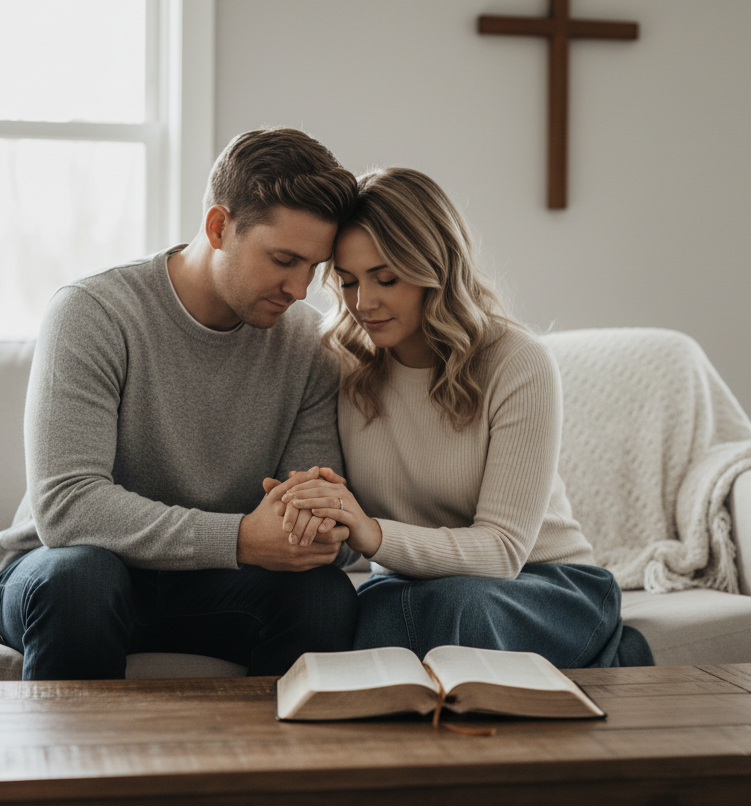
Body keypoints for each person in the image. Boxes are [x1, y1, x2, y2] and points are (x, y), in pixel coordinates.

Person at [0, 128, 362, 680]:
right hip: (70, 571)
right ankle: (73, 767)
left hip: (213, 583)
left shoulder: (309, 344)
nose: (299, 288)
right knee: (82, 579)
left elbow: (304, 506)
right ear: (218, 226)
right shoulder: (93, 313)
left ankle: (272, 768)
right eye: (283, 259)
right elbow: (68, 507)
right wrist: (238, 537)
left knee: (323, 595)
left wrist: (316, 529)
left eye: (313, 267)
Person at [280, 167, 653, 669]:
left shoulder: (516, 361)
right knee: (364, 616)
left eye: (386, 278)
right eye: (348, 282)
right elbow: (348, 541)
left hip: (539, 580)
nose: (363, 303)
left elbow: (502, 550)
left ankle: (607, 654)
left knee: (460, 612)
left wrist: (372, 533)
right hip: (409, 582)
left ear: (435, 266)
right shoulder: (343, 365)